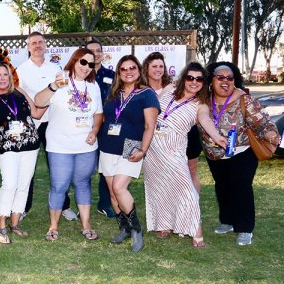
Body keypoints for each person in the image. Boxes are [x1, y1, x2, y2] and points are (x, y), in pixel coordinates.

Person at [143, 62, 226, 248]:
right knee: (158, 187)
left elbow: (206, 121)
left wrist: (217, 136)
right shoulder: (170, 88)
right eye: (190, 77)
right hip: (153, 148)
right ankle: (163, 224)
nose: (194, 82)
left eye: (199, 79)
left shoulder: (200, 105)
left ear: (204, 82)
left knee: (187, 190)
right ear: (183, 78)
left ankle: (197, 230)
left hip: (174, 151)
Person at [199, 61, 280, 246]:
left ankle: (244, 228)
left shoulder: (244, 99)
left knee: (241, 187)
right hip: (215, 154)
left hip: (242, 152)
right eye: (220, 77)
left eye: (230, 78)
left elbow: (261, 121)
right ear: (211, 80)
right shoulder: (204, 99)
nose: (225, 81)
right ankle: (227, 221)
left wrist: (269, 133)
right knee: (222, 186)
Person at [35, 49, 103, 241]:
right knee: (59, 185)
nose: (86, 67)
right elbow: (38, 102)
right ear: (74, 61)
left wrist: (94, 131)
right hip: (59, 145)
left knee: (83, 183)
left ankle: (86, 224)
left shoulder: (94, 86)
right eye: (83, 62)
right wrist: (54, 86)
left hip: (86, 146)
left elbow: (98, 113)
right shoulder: (60, 81)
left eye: (91, 64)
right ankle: (53, 226)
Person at [98, 55, 160, 252]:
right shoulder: (113, 92)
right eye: (123, 69)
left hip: (131, 146)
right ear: (119, 72)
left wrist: (143, 149)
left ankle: (136, 230)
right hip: (108, 145)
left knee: (119, 187)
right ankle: (123, 227)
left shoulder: (147, 94)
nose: (128, 71)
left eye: (132, 67)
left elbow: (150, 126)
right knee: (112, 192)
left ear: (139, 70)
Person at [0, 63, 44, 244]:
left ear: (10, 76)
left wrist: (50, 98)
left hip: (30, 146)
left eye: (5, 74)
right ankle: (2, 225)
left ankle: (15, 224)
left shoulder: (20, 92)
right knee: (9, 185)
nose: (2, 78)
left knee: (23, 185)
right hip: (8, 149)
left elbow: (36, 112)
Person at [16, 31, 77, 221]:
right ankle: (23, 207)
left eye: (40, 42)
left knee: (57, 167)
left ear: (45, 45)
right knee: (27, 167)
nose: (37, 45)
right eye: (33, 43)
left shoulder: (56, 69)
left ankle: (64, 206)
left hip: (53, 123)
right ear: (28, 47)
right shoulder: (20, 70)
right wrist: (36, 110)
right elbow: (19, 97)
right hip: (31, 123)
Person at [85, 40, 116, 218]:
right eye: (91, 51)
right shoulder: (80, 75)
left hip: (107, 129)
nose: (96, 54)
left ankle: (104, 204)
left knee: (106, 167)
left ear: (103, 53)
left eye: (99, 50)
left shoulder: (112, 75)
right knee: (85, 169)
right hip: (84, 129)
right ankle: (83, 203)